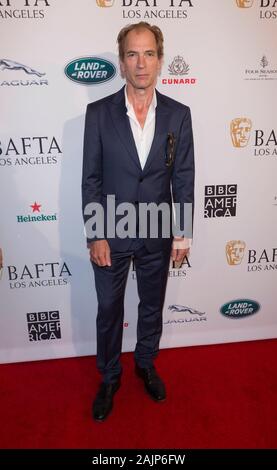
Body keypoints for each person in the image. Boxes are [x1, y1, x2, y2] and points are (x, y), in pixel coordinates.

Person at [82, 22, 195, 421]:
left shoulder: (179, 115)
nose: (141, 63)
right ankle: (110, 377)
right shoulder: (98, 114)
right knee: (109, 308)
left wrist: (182, 234)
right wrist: (96, 233)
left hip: (158, 230)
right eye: (133, 54)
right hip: (111, 232)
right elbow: (91, 178)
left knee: (151, 306)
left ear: (160, 61)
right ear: (122, 62)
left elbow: (183, 177)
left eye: (148, 54)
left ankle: (145, 363)